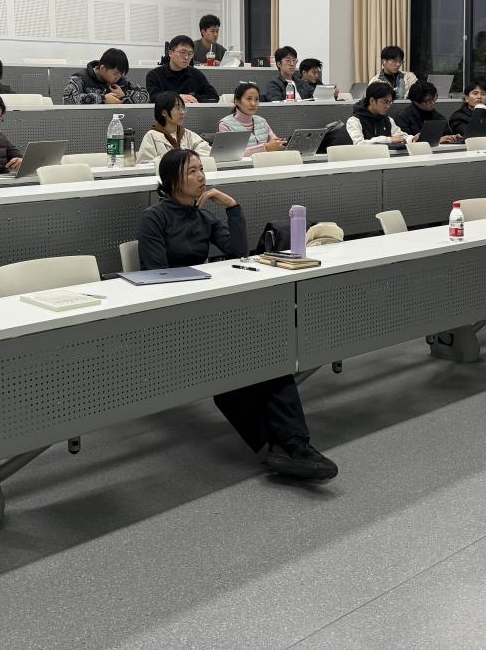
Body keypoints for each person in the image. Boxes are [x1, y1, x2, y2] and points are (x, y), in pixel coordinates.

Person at [137, 149, 337, 482]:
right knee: (231, 370)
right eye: (192, 171)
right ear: (172, 180)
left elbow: (238, 252)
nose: (202, 177)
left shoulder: (203, 217)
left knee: (269, 354)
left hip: (211, 307)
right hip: (175, 315)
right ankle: (277, 447)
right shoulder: (155, 218)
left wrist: (232, 206)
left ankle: (296, 446)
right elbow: (156, 272)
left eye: (202, 170)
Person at [136, 91, 212, 164]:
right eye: (177, 108)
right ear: (164, 112)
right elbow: (144, 164)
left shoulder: (187, 134)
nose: (182, 112)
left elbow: (206, 150)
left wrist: (188, 158)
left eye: (183, 108)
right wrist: (176, 160)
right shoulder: (151, 136)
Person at [61, 48, 149, 105]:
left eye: (121, 74)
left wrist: (124, 95)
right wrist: (102, 99)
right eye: (115, 74)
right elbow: (68, 99)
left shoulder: (120, 81)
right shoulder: (80, 79)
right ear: (102, 68)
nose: (118, 77)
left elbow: (146, 96)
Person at [219, 82, 285, 157]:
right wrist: (265, 147)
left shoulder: (261, 121)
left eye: (256, 99)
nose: (253, 104)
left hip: (265, 162)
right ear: (237, 101)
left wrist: (280, 144)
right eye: (249, 99)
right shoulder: (225, 124)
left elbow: (274, 140)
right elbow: (228, 153)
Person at [146, 35, 219, 104]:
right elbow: (152, 97)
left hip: (191, 112)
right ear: (170, 53)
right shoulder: (154, 75)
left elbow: (213, 96)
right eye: (182, 52)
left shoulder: (196, 74)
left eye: (190, 54)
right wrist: (177, 98)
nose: (187, 57)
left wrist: (191, 98)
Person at [391, 80, 462, 143]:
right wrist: (438, 140)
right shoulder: (403, 118)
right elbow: (408, 141)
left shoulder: (438, 116)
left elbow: (446, 134)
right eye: (428, 100)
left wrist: (452, 138)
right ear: (416, 102)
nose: (433, 102)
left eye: (434, 98)